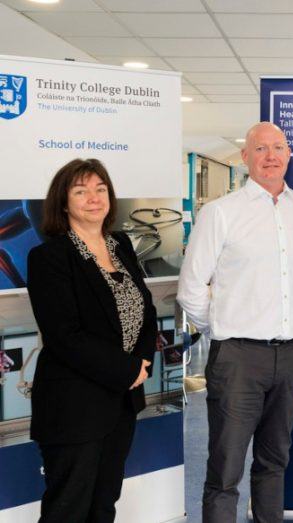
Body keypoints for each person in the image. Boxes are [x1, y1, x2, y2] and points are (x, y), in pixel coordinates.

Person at [177, 122, 293, 523]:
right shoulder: (220, 214)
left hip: (291, 355)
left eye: (278, 147)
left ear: (289, 154)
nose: (271, 156)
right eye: (260, 149)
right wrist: (222, 328)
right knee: (225, 472)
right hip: (237, 358)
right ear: (245, 157)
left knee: (274, 462)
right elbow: (190, 289)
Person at [26, 158, 157, 523]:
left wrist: (142, 363)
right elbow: (64, 336)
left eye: (100, 189)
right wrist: (128, 368)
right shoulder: (49, 257)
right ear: (63, 202)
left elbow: (143, 310)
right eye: (80, 191)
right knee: (68, 509)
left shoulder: (121, 245)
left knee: (103, 505)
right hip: (74, 405)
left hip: (122, 400)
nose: (93, 198)